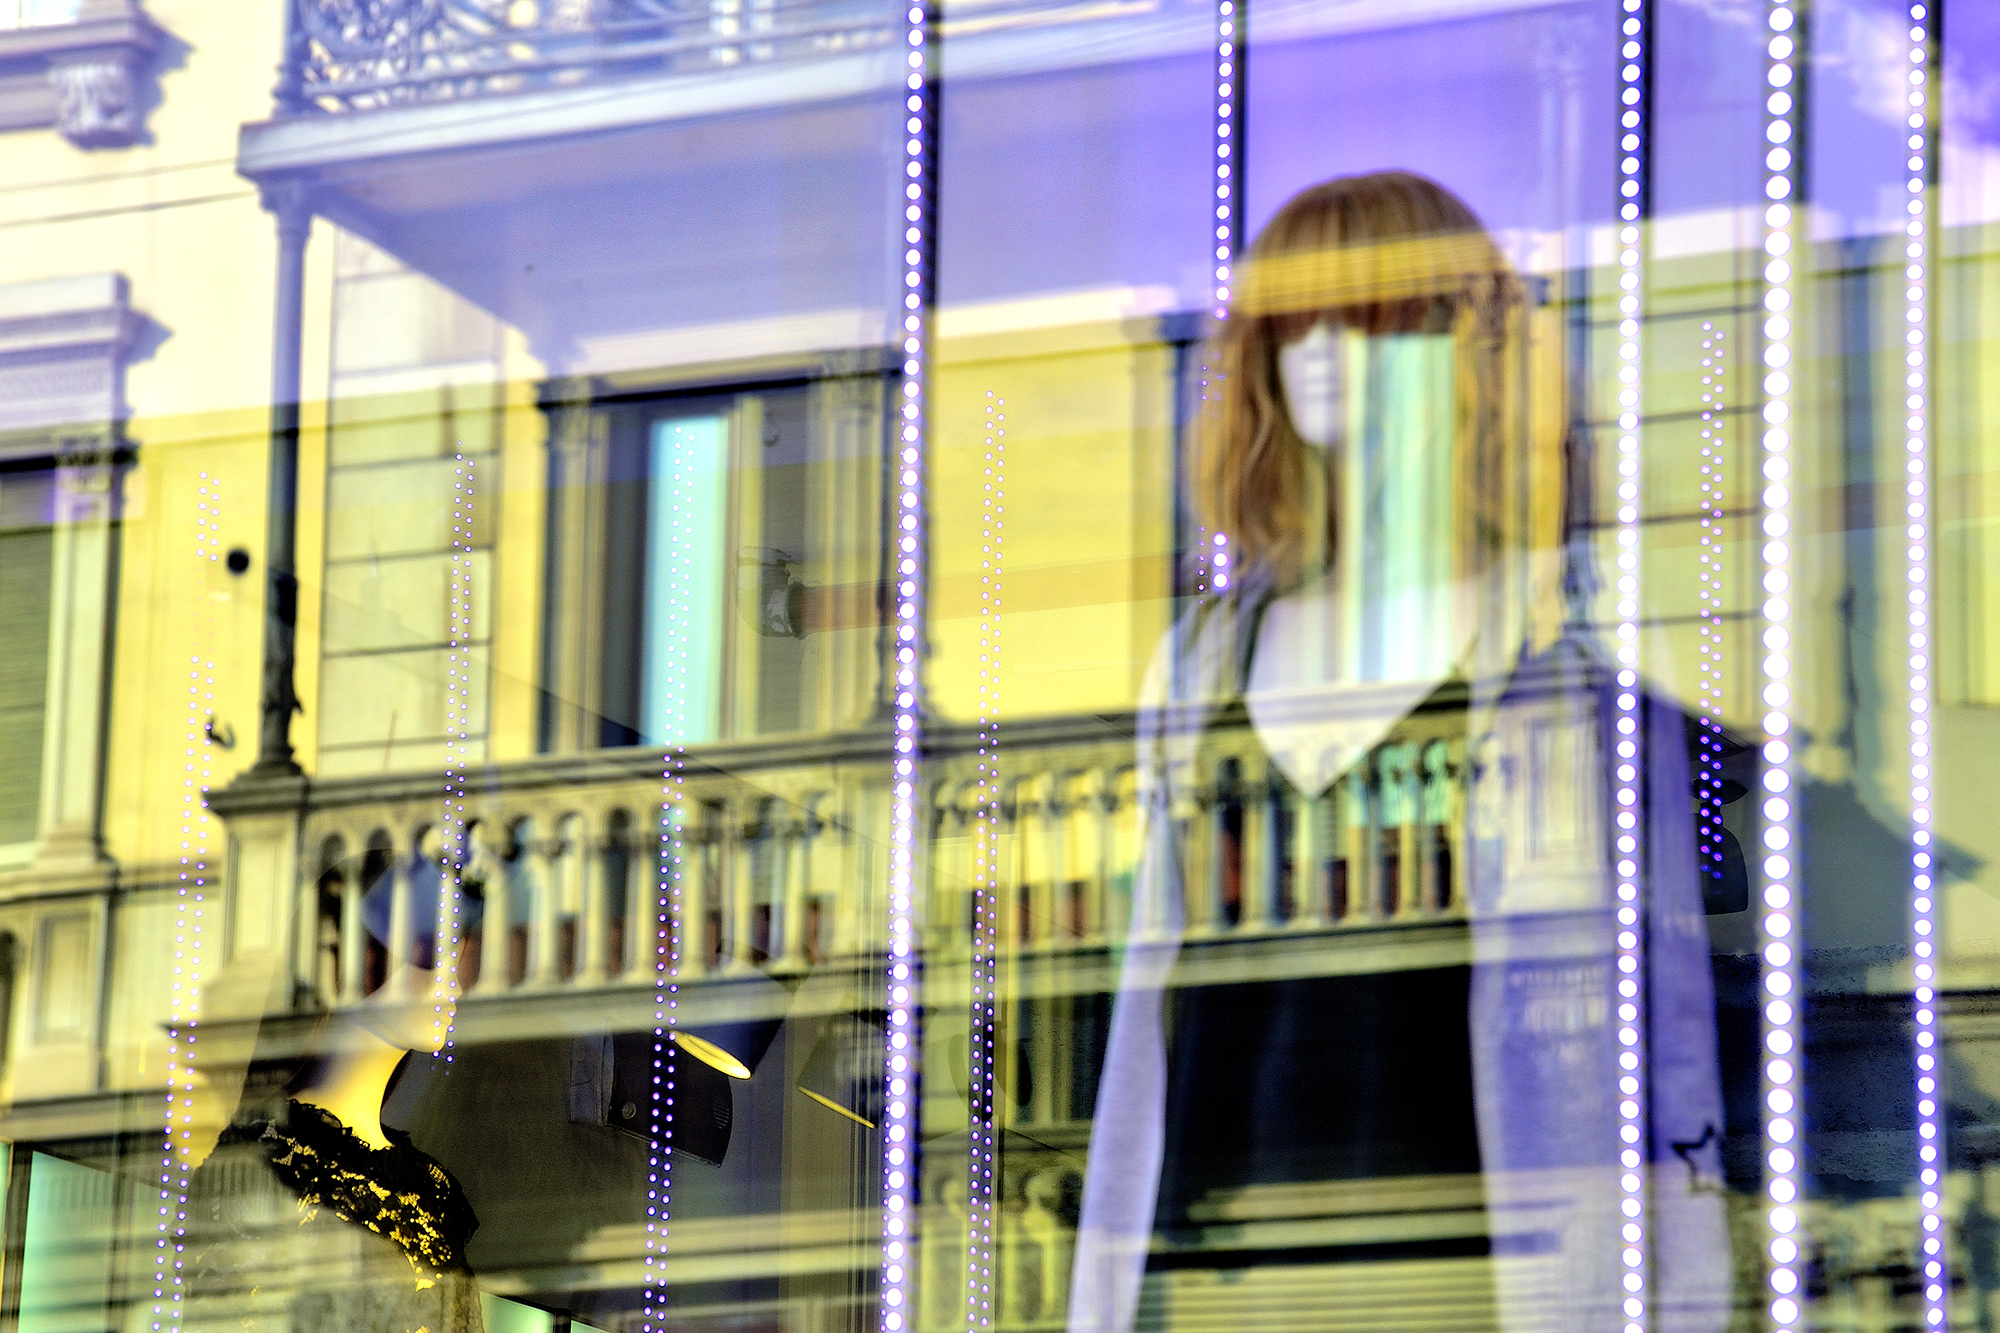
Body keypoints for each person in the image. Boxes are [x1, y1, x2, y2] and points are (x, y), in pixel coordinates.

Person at [1067, 171, 1731, 1333]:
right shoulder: (1199, 665)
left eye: (1369, 319)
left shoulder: (1563, 642)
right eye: (1293, 325)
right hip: (1220, 1257)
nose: (1323, 354)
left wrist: (1679, 1297)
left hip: (1469, 1263)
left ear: (1457, 348)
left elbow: (1662, 1010)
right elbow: (1144, 1016)